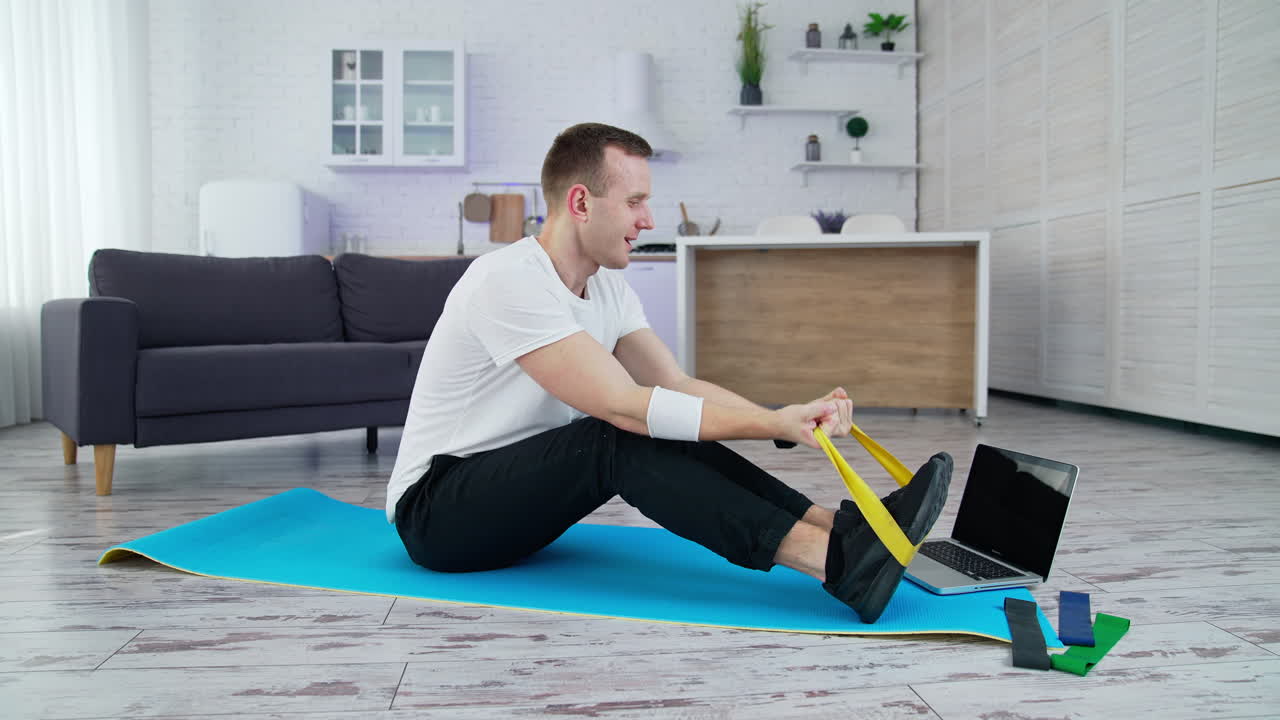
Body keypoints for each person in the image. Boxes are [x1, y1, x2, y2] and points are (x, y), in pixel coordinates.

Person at [386, 123, 949, 623]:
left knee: (657, 424)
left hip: (510, 498)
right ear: (581, 202)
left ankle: (842, 531)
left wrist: (781, 418)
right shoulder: (506, 279)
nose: (648, 219)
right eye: (635, 201)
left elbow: (673, 385)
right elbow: (622, 406)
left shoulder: (607, 287)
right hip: (437, 512)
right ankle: (834, 562)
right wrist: (771, 426)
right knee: (617, 436)